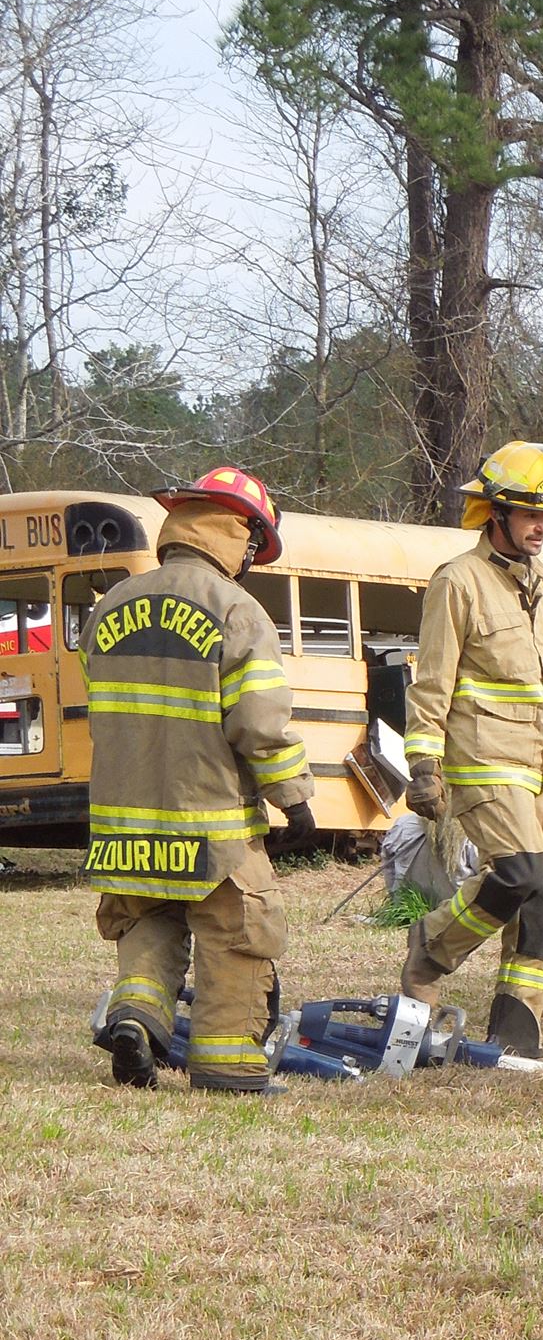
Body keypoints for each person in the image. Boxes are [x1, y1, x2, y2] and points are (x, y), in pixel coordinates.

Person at [83, 467, 316, 1092]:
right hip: (210, 820)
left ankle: (135, 1019)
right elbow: (259, 721)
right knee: (237, 931)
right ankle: (225, 1062)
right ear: (238, 533)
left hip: (124, 821)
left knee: (149, 920)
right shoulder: (236, 609)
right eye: (252, 543)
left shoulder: (110, 606)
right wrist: (293, 797)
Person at [399, 440, 543, 1055]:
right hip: (485, 759)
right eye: (532, 514)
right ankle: (431, 948)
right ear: (496, 512)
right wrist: (423, 764)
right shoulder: (458, 581)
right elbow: (433, 679)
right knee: (518, 873)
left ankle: (515, 1038)